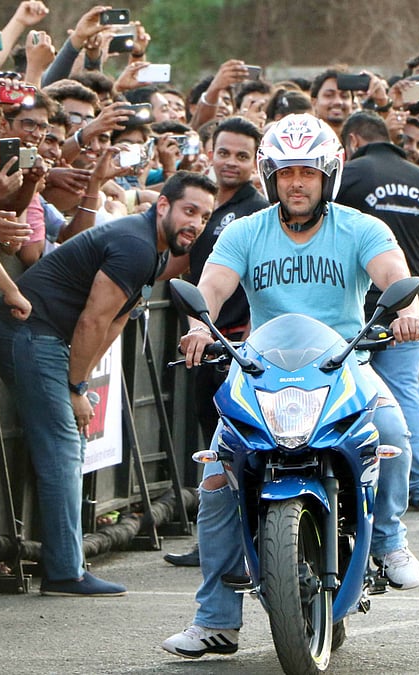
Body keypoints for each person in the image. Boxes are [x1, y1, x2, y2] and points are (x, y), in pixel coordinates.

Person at [163, 113, 419, 659]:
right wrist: (198, 327)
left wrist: (407, 313)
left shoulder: (361, 228)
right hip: (262, 372)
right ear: (270, 177)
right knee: (216, 477)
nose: (297, 183)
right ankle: (215, 620)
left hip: (344, 366)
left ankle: (388, 538)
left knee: (393, 432)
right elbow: (211, 288)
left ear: (329, 174)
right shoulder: (244, 231)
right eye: (286, 173)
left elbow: (393, 275)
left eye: (308, 172)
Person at [0, 170, 217, 596]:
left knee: (65, 443)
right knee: (63, 446)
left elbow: (116, 321)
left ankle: (64, 565)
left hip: (46, 335)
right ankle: (64, 573)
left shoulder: (153, 249)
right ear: (162, 205)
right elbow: (93, 320)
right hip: (28, 331)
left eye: (204, 217)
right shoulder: (135, 245)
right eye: (189, 211)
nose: (196, 224)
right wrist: (75, 389)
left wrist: (81, 382)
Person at [163, 116, 268, 568]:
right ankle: (216, 544)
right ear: (209, 151)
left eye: (242, 156)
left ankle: (248, 544)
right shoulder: (204, 205)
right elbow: (183, 266)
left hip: (241, 348)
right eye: (223, 152)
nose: (231, 162)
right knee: (212, 446)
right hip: (205, 343)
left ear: (256, 163)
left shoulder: (257, 212)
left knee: (236, 450)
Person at [337, 110, 419, 512]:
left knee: (345, 393)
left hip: (353, 310)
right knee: (405, 393)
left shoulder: (347, 176)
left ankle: (352, 486)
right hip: (408, 307)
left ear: (353, 141)